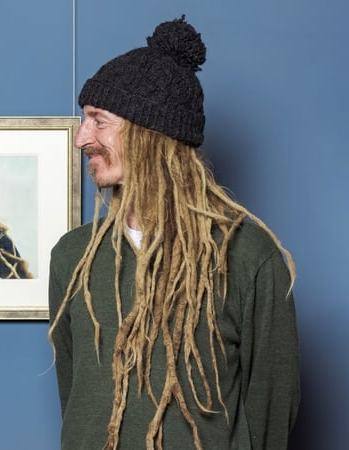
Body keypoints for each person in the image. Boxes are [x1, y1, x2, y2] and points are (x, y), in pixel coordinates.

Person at [48, 17, 299, 450]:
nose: (81, 138)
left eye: (98, 120)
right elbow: (74, 398)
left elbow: (270, 408)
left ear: (150, 133)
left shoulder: (246, 256)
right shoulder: (74, 257)